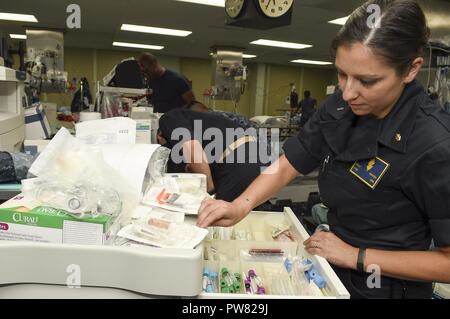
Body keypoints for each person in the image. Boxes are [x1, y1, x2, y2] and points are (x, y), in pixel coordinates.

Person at [197, 0, 450, 299]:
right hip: (333, 268)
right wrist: (240, 205)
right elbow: (290, 161)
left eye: (367, 81)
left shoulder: (435, 144)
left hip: (385, 286)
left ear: (411, 70)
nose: (348, 92)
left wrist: (355, 255)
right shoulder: (341, 107)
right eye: (342, 74)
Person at [157, 108, 269, 202]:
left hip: (241, 161)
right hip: (260, 159)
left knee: (216, 218)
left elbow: (195, 155)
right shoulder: (200, 122)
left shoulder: (169, 119)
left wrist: (209, 192)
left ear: (159, 136)